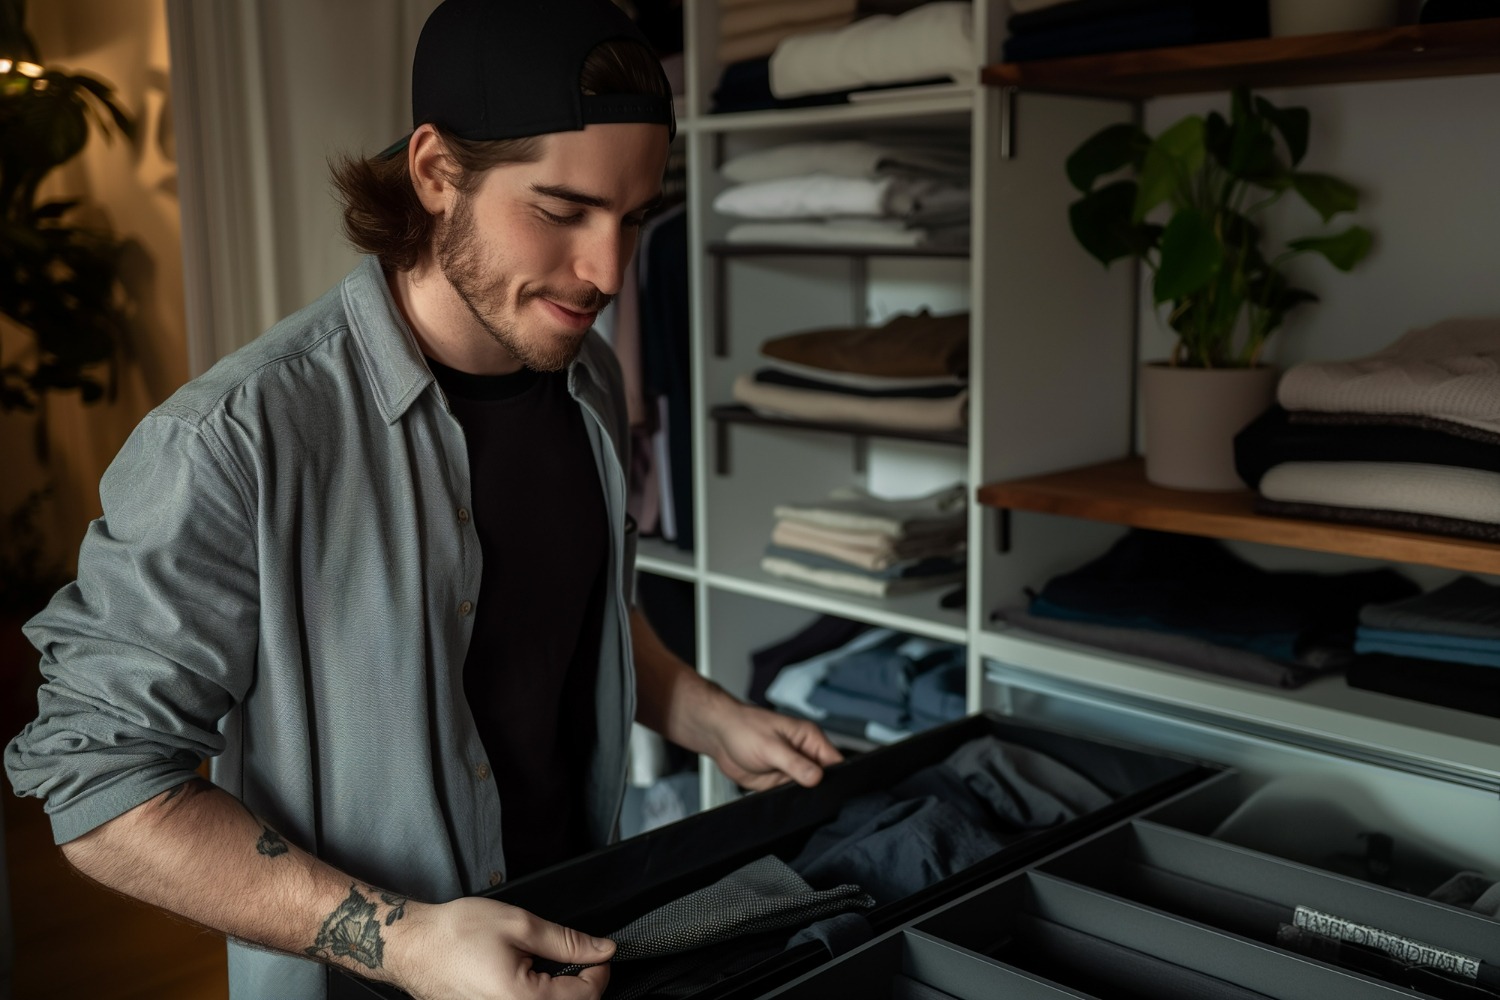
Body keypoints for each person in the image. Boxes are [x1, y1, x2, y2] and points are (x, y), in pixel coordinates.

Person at [3, 2, 842, 998]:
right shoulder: (232, 442)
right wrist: (402, 943)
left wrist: (705, 714)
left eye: (633, 218)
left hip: (585, 944)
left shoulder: (589, 377)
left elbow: (569, 608)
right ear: (437, 172)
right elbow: (97, 787)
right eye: (563, 211)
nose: (607, 272)